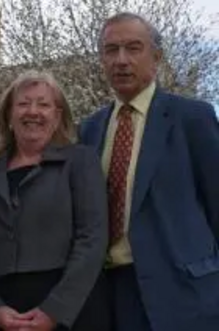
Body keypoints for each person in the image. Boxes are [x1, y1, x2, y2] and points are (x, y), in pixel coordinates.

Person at [79, 12, 219, 331]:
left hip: (182, 294)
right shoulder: (89, 130)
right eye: (111, 50)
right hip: (108, 293)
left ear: (155, 56)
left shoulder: (192, 119)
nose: (121, 60)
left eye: (133, 48)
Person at [0, 71, 109, 331]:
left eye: (44, 104)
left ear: (57, 117)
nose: (32, 112)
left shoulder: (80, 162)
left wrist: (53, 311)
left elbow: (92, 239)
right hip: (4, 315)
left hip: (71, 312)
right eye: (23, 104)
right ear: (9, 115)